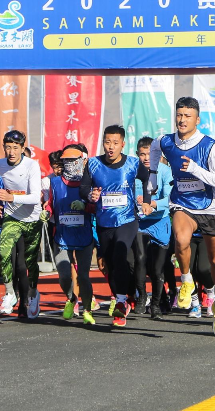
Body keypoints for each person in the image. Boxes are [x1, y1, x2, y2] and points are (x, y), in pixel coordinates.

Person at [147, 97, 215, 337]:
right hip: (182, 202)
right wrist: (153, 174)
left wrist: (196, 169)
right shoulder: (166, 141)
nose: (182, 120)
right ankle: (186, 281)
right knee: (181, 239)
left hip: (209, 207)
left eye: (188, 116)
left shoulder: (208, 145)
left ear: (197, 119)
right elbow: (154, 147)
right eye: (179, 115)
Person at [80, 125, 150, 327]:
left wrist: (146, 201)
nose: (111, 147)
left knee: (120, 252)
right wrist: (90, 195)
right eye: (107, 142)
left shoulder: (133, 163)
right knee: (109, 265)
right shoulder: (93, 164)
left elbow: (148, 180)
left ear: (123, 144)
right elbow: (84, 188)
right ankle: (126, 295)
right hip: (104, 222)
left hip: (127, 219)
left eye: (115, 143)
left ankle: (120, 302)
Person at [0, 130, 43, 319]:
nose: (11, 152)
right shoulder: (0, 164)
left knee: (25, 264)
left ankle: (33, 294)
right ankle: (10, 293)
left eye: (15, 148)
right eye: (8, 148)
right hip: (11, 218)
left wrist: (11, 197)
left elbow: (35, 197)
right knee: (4, 253)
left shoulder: (31, 165)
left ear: (22, 148)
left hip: (31, 219)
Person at [49, 145, 98, 324]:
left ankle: (88, 310)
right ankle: (71, 299)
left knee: (83, 276)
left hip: (84, 235)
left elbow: (98, 207)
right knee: (64, 276)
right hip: (62, 236)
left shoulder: (90, 183)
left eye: (73, 161)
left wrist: (86, 206)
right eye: (66, 161)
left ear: (82, 161)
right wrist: (46, 212)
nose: (69, 164)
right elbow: (50, 203)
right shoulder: (55, 183)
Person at [135, 136, 173, 320]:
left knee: (158, 269)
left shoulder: (165, 171)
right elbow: (129, 194)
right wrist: (137, 201)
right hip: (141, 224)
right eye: (142, 154)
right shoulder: (134, 172)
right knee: (140, 260)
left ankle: (156, 305)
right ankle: (142, 296)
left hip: (160, 222)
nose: (146, 158)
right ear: (137, 155)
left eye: (149, 154)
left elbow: (170, 198)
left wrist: (154, 204)